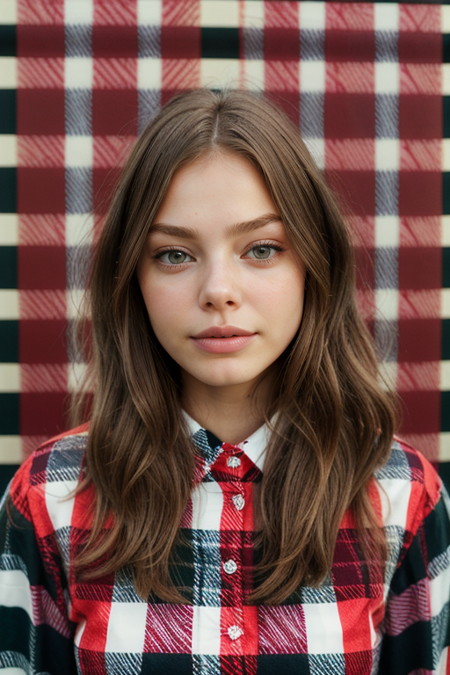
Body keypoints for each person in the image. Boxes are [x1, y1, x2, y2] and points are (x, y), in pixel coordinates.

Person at [0, 88, 449, 675]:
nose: (218, 289)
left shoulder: (401, 495)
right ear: (131, 276)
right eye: (174, 254)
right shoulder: (48, 498)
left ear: (313, 264)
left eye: (261, 249)